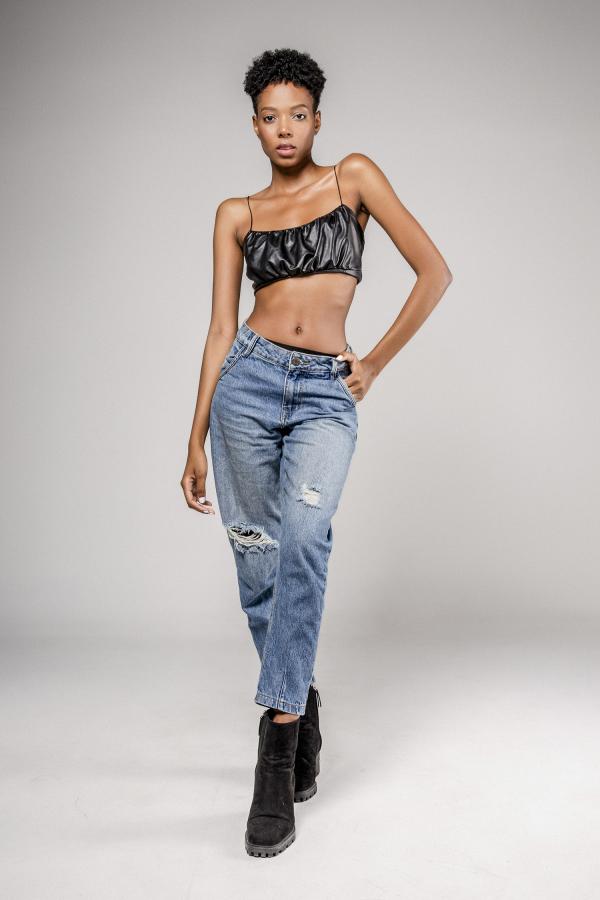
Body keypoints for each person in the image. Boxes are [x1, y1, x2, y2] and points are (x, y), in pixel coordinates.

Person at [181, 47, 453, 857]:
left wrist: (375, 363)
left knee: (302, 540)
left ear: (318, 120)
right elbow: (220, 329)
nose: (285, 129)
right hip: (247, 384)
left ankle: (277, 746)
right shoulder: (236, 213)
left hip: (325, 394)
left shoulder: (352, 178)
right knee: (257, 556)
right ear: (254, 125)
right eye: (270, 116)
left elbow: (434, 273)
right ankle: (300, 694)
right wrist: (193, 434)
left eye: (298, 115)